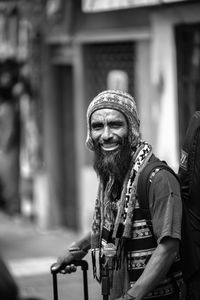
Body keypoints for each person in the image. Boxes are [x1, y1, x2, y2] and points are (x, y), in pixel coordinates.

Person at [53, 90, 183, 300]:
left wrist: (131, 297)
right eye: (97, 127)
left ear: (131, 128)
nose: (105, 135)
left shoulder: (158, 178)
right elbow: (116, 226)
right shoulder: (114, 177)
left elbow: (168, 247)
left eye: (115, 125)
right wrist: (78, 249)